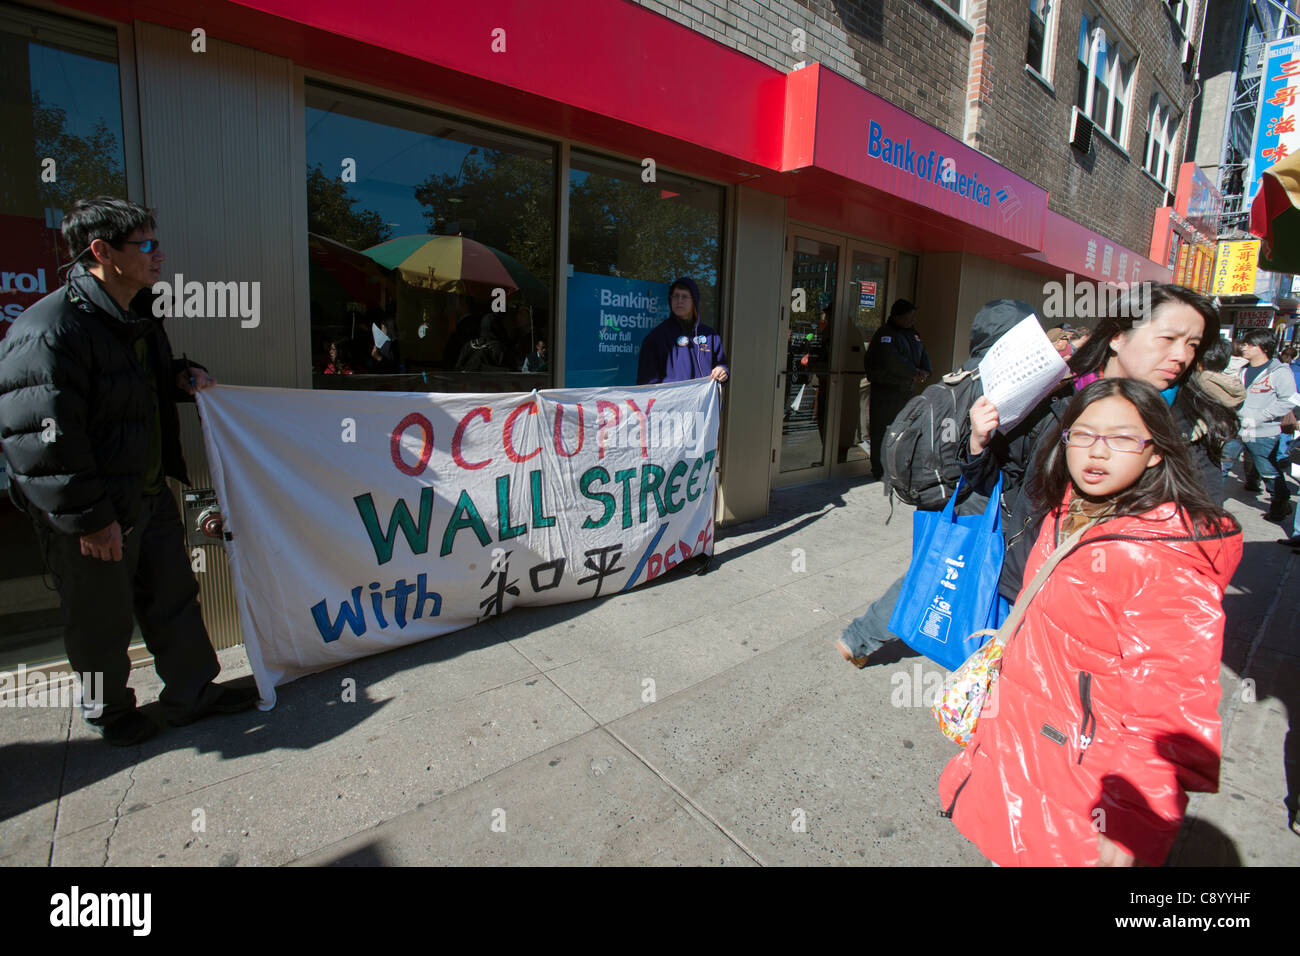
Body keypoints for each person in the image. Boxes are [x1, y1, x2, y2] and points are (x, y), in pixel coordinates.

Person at [938, 378, 1243, 866]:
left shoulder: (1161, 556)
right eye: (1082, 434)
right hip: (1021, 742)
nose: (1096, 452)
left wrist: (1130, 825)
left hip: (1084, 780)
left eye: (1122, 438)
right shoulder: (1069, 510)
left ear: (1157, 452)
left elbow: (1172, 704)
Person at [0, 197, 257, 746]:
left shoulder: (136, 315)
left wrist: (179, 376)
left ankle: (192, 694)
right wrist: (90, 520)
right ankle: (110, 713)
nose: (159, 255)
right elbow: (39, 441)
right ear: (102, 252)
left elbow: (127, 390)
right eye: (146, 245)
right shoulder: (49, 330)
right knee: (99, 620)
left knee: (173, 596)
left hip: (148, 495)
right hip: (91, 512)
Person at [963, 284, 1236, 607]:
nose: (1181, 356)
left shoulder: (1190, 426)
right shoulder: (1057, 398)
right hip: (1027, 589)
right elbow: (1007, 483)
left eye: (1192, 345)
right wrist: (979, 445)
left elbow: (1202, 537)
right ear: (1118, 336)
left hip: (1116, 612)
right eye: (1168, 339)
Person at [836, 299, 1040, 667]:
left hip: (949, 489)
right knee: (940, 573)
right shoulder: (1002, 384)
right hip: (975, 494)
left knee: (935, 569)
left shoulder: (966, 375)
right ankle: (865, 636)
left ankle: (860, 637)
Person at [1220, 328, 1296, 522]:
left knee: (1267, 470)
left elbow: (1288, 400)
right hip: (1237, 427)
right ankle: (1212, 504)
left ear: (1262, 348)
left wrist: (1262, 416)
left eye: (1249, 344)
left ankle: (1280, 502)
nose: (1244, 347)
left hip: (1262, 431)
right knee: (1223, 464)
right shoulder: (1242, 369)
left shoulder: (1279, 372)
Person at [865, 298, 930, 480]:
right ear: (898, 316)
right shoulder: (885, 334)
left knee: (904, 430)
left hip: (905, 391)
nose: (911, 320)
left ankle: (898, 468)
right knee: (883, 430)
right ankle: (880, 469)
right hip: (887, 391)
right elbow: (892, 361)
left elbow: (923, 353)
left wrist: (925, 370)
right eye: (909, 316)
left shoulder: (912, 334)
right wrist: (913, 372)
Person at [636, 277, 729, 385]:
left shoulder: (710, 336)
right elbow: (647, 383)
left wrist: (722, 371)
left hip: (704, 401)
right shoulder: (656, 337)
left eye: (684, 297)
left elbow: (722, 366)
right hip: (672, 401)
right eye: (675, 296)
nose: (679, 301)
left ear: (694, 301)